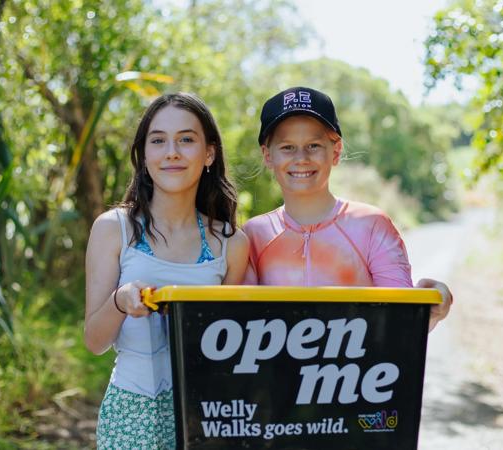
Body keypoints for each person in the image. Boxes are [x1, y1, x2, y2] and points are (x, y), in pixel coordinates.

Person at [84, 93, 249, 449]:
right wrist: (120, 302)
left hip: (205, 416)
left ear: (209, 154)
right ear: (144, 156)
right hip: (130, 412)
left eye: (186, 139)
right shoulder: (114, 229)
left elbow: (231, 353)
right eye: (158, 141)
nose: (171, 152)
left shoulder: (231, 244)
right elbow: (94, 342)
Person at [243, 86, 452, 330]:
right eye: (287, 147)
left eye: (314, 145)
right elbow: (237, 324)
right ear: (268, 156)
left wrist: (432, 306)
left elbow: (401, 322)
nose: (301, 157)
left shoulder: (371, 225)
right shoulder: (253, 235)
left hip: (358, 368)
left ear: (336, 150)